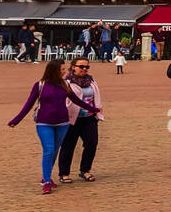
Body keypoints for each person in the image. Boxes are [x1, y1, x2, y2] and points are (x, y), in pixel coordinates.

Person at [7, 58, 106, 194]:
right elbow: (28, 104)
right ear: (54, 71)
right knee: (48, 150)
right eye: (62, 70)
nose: (65, 72)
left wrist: (94, 109)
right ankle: (47, 181)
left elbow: (76, 100)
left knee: (54, 151)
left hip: (62, 123)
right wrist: (16, 120)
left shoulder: (65, 85)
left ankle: (46, 176)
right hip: (44, 123)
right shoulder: (40, 85)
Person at [57, 59, 104, 183]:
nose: (84, 69)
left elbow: (96, 96)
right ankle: (64, 173)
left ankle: (85, 170)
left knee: (92, 143)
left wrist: (97, 109)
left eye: (87, 67)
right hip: (72, 119)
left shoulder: (91, 81)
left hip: (89, 118)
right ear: (73, 67)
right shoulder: (66, 82)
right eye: (81, 66)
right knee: (68, 146)